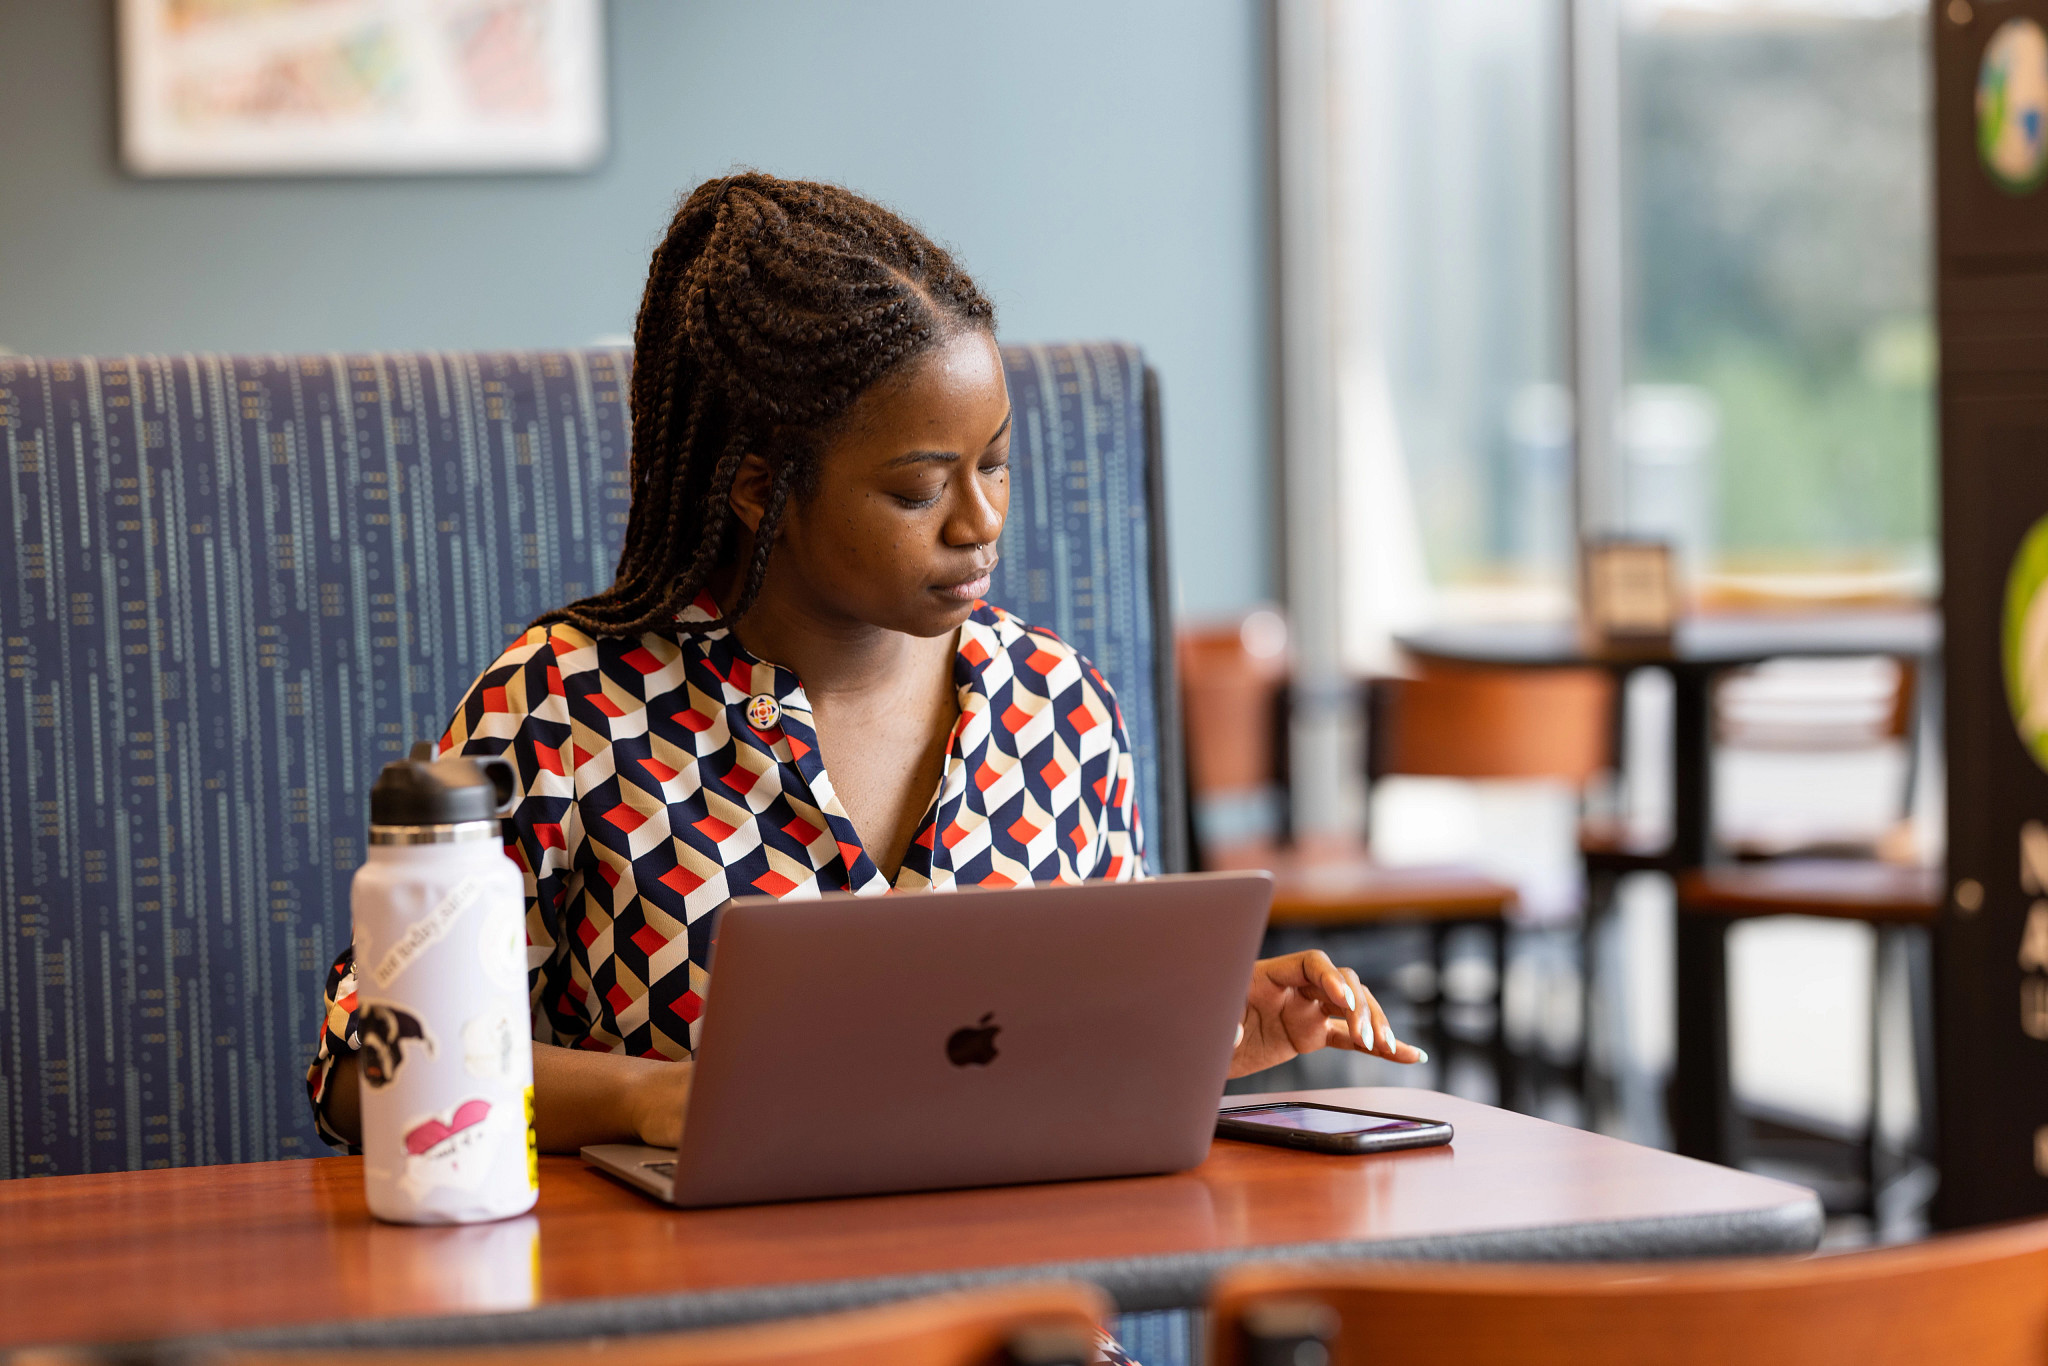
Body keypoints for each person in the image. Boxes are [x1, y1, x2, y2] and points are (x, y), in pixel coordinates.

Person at [306, 172, 1422, 1362]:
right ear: (755, 486)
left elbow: (1038, 1094)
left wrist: (1202, 1045)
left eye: (994, 463)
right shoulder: (568, 707)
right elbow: (360, 1067)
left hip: (1014, 1336)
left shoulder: (1060, 712)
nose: (977, 520)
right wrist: (649, 1097)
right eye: (917, 487)